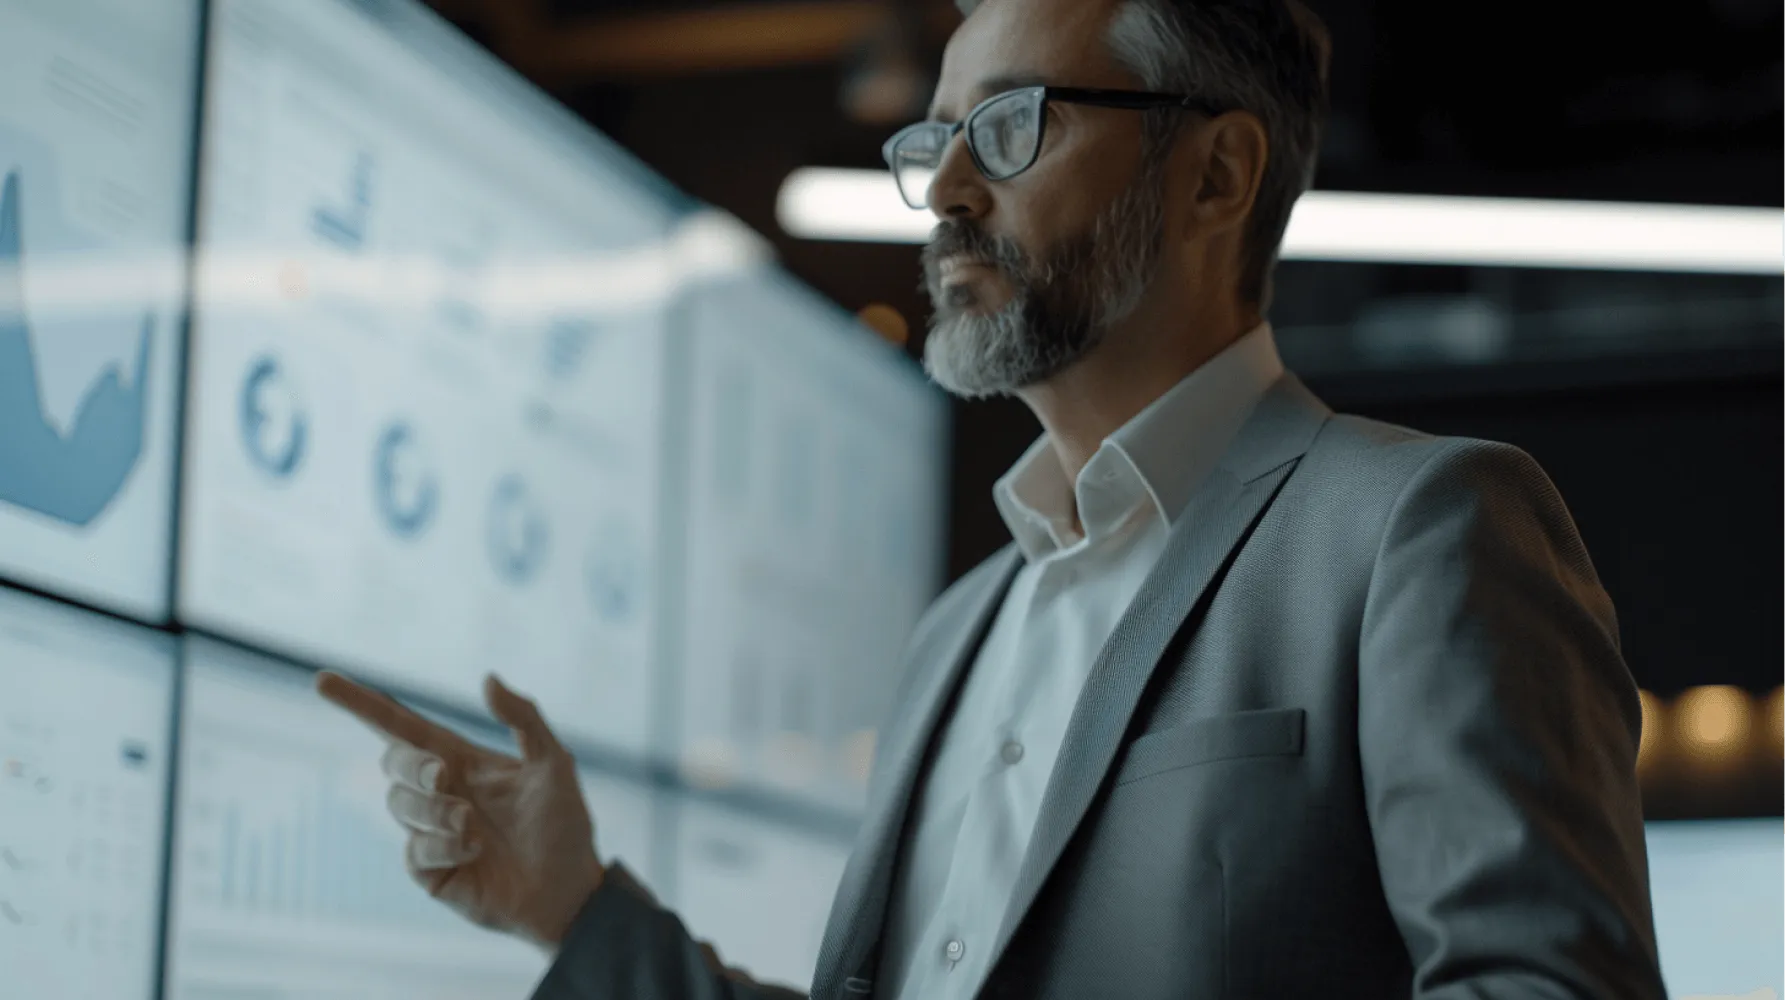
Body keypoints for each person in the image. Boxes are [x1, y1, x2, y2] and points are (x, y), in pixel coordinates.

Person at [319, 0, 1670, 994]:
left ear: (1218, 174)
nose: (948, 191)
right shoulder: (958, 630)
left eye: (1014, 126)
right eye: (941, 136)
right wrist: (581, 910)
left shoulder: (1420, 529)